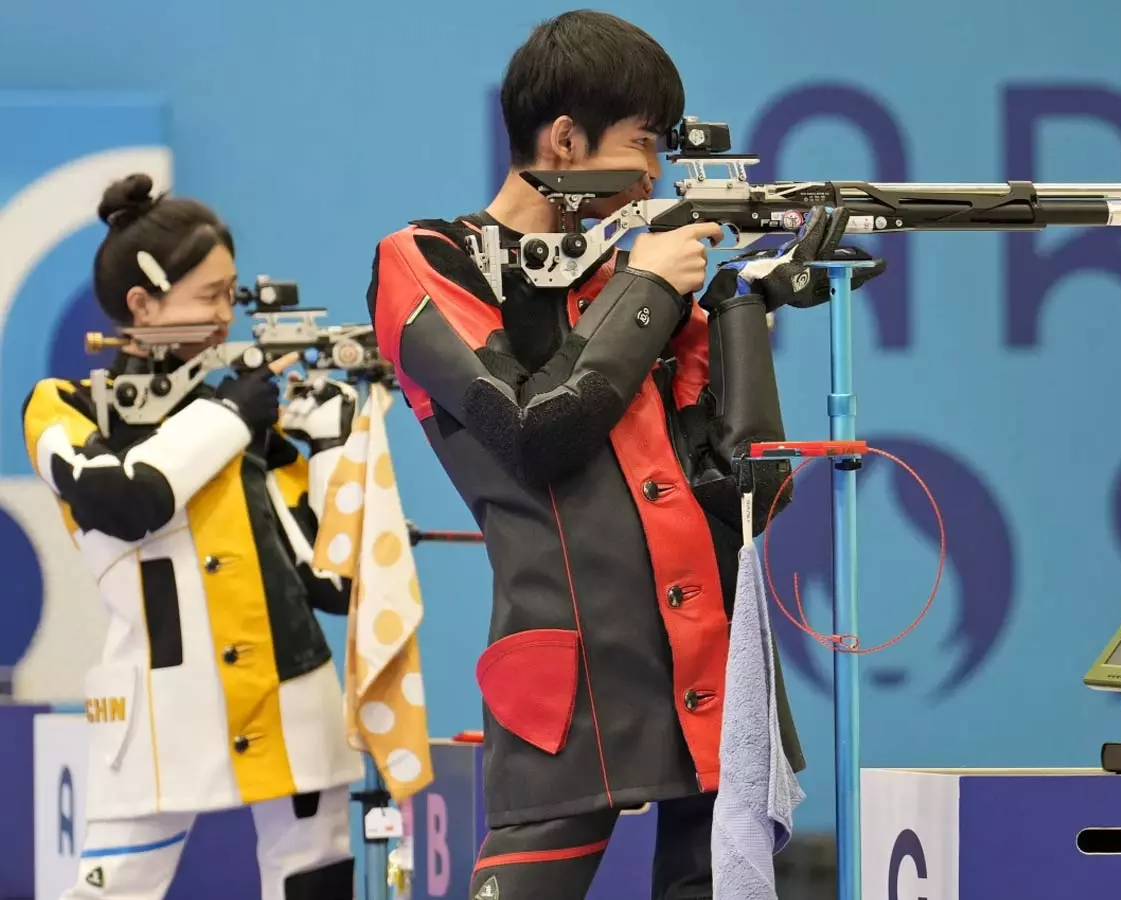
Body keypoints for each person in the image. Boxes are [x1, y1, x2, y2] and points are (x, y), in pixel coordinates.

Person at [365, 10, 884, 899]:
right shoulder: (427, 259)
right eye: (646, 144)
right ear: (566, 139)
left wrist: (736, 312)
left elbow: (748, 493)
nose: (656, 175)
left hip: (714, 670)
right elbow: (531, 430)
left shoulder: (629, 277)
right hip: (566, 690)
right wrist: (649, 288)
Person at [22, 174, 365, 900]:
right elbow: (124, 499)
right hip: (157, 718)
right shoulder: (65, 409)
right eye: (209, 297)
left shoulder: (245, 424)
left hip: (290, 699)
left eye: (230, 296)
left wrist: (335, 442)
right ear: (142, 304)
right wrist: (230, 419)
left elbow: (336, 583)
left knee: (316, 876)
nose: (224, 319)